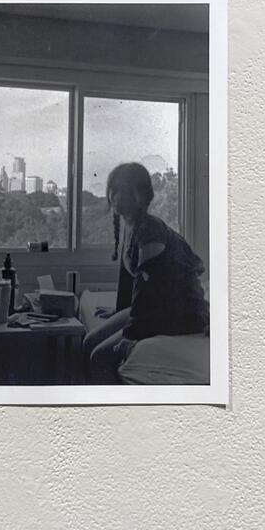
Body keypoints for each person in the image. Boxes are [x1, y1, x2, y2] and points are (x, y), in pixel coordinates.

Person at [81, 162, 209, 383]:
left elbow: (146, 287)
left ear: (139, 195)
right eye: (112, 189)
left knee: (99, 357)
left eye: (121, 190)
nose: (114, 196)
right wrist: (119, 312)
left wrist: (132, 335)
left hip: (178, 312)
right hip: (155, 306)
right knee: (88, 342)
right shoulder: (130, 226)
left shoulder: (151, 230)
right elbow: (129, 281)